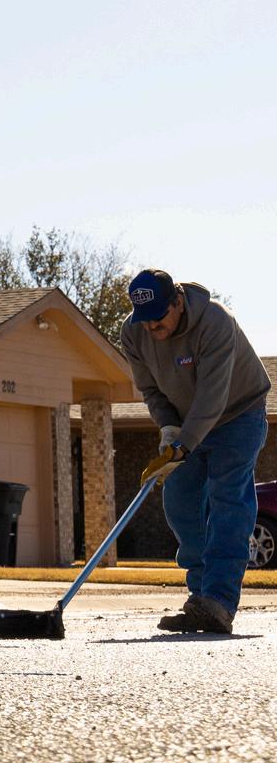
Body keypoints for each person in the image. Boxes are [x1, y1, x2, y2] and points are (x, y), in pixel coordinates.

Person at [121, 269, 270, 634]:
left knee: (227, 501)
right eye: (145, 318)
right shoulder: (133, 332)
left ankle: (218, 601)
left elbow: (212, 397)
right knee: (180, 502)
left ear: (178, 301)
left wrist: (183, 444)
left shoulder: (215, 321)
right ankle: (199, 598)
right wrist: (169, 430)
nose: (152, 326)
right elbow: (151, 391)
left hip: (238, 415)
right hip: (188, 423)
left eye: (159, 316)